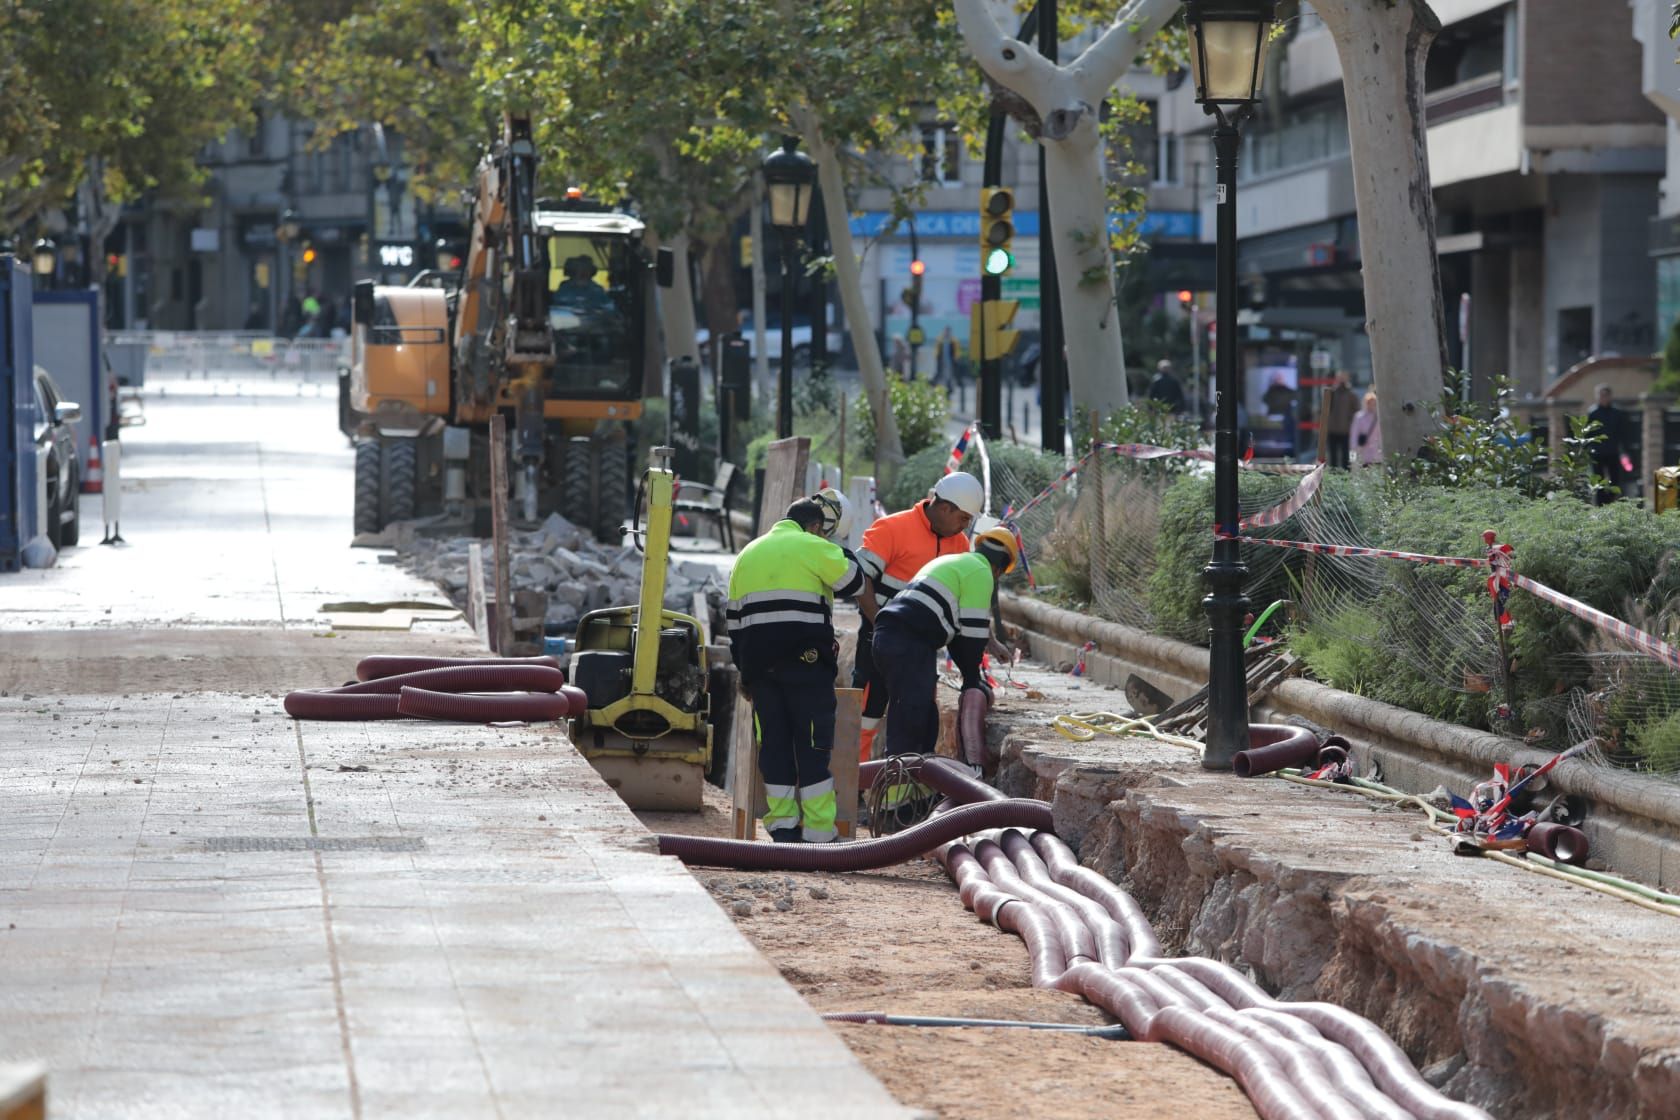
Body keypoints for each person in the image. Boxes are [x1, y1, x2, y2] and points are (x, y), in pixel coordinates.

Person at [726, 497, 867, 843]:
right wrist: (840, 548)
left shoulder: (747, 554)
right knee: (813, 747)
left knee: (773, 746)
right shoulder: (812, 546)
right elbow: (855, 583)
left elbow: (734, 622)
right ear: (817, 528)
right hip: (806, 667)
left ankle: (782, 828)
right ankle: (819, 832)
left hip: (760, 671)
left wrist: (745, 671)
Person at [851, 472, 983, 761]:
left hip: (920, 650)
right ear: (945, 508)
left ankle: (900, 787)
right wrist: (880, 623)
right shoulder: (892, 528)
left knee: (914, 716)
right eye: (963, 518)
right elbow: (859, 578)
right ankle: (849, 792)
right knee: (864, 718)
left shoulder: (958, 544)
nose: (965, 528)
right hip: (876, 639)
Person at [870, 527, 1020, 765]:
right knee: (910, 724)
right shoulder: (982, 573)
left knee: (923, 718)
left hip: (891, 636)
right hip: (910, 643)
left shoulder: (955, 562)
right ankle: (896, 798)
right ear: (998, 568)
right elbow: (970, 637)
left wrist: (989, 644)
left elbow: (960, 626)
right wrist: (972, 680)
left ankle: (916, 791)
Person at [1588, 383, 1631, 505]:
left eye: (1606, 395)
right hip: (1597, 453)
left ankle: (1610, 502)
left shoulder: (1617, 413)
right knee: (1599, 481)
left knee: (1615, 480)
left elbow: (1623, 433)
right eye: (1601, 395)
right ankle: (1600, 506)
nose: (1603, 398)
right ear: (1597, 396)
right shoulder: (1593, 413)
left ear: (1610, 396)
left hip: (1613, 451)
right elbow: (1588, 433)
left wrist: (1625, 451)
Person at [1324, 371, 1359, 469]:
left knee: (1346, 457)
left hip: (1346, 431)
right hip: (1332, 430)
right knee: (1333, 457)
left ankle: (1346, 479)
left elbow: (1356, 412)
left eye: (1344, 377)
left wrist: (1352, 426)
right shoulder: (1331, 393)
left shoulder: (1352, 394)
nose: (1341, 379)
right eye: (1340, 377)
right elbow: (1325, 411)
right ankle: (1334, 478)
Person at [1263, 375, 1298, 458]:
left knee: (1286, 432)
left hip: (1285, 415)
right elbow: (1265, 399)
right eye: (1277, 379)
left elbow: (1295, 397)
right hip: (1275, 415)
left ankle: (1284, 448)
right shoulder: (1272, 390)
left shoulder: (1287, 390)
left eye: (1280, 379)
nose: (1279, 381)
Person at [1350, 390, 1382, 467]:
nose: (1371, 405)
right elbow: (1353, 438)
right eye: (1369, 403)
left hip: (1377, 456)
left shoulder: (1379, 418)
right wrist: (1352, 460)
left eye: (1373, 403)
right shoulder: (1359, 417)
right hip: (1363, 455)